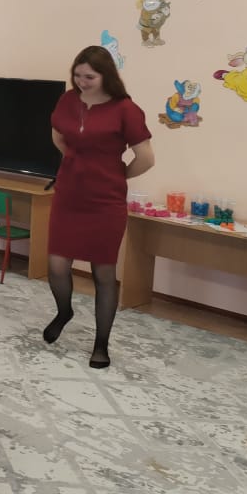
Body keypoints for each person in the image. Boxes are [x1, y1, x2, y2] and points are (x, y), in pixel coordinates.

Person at [44, 45, 155, 369]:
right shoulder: (68, 100)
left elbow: (146, 158)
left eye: (89, 77)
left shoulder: (125, 109)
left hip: (105, 201)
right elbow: (58, 136)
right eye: (77, 75)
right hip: (68, 195)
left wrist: (117, 174)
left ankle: (101, 344)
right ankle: (64, 311)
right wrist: (74, 161)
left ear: (106, 76)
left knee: (103, 272)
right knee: (56, 265)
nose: (81, 82)